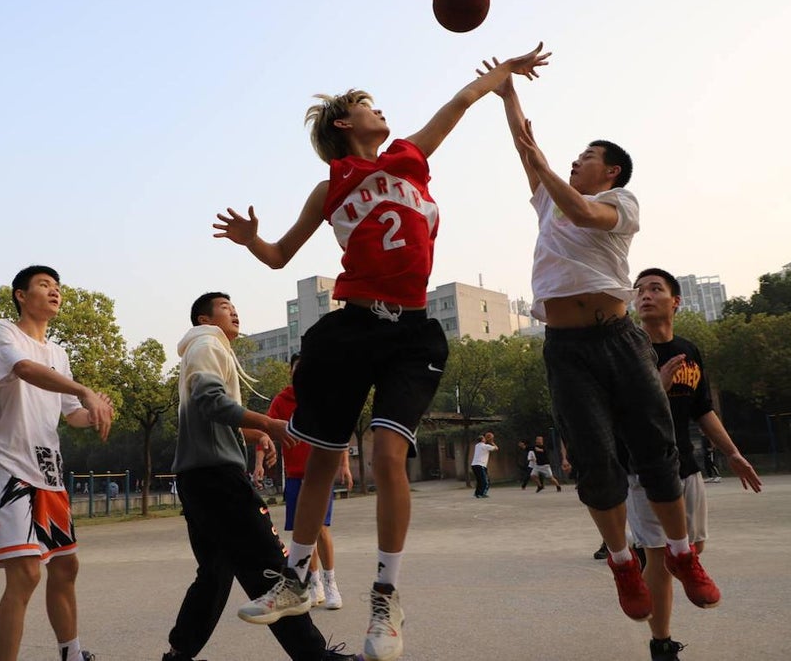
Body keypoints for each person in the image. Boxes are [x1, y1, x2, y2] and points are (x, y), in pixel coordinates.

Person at [217, 43, 551, 661]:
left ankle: (386, 597)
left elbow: (459, 102)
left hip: (413, 331)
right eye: (368, 105)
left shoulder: (408, 157)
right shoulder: (331, 187)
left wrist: (504, 76)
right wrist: (250, 239)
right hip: (351, 327)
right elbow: (281, 257)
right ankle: (293, 580)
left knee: (388, 453)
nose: (380, 110)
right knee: (321, 458)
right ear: (345, 123)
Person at [492, 62, 721, 624]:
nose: (573, 162)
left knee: (655, 449)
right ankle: (622, 561)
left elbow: (580, 209)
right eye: (569, 158)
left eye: (585, 157)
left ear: (612, 171)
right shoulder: (548, 196)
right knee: (595, 462)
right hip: (565, 348)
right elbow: (528, 152)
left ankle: (682, 553)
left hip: (618, 340)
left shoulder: (623, 203)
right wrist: (506, 91)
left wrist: (544, 163)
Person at [163, 293, 357, 661]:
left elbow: (209, 418)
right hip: (218, 479)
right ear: (204, 319)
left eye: (234, 305)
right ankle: (314, 655)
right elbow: (209, 399)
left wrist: (257, 434)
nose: (233, 310)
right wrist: (267, 422)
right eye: (223, 306)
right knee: (270, 566)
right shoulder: (207, 342)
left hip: (196, 478)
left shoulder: (204, 347)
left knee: (215, 572)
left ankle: (178, 653)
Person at [0, 266, 114, 661]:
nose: (55, 292)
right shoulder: (4, 331)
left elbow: (71, 414)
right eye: (45, 285)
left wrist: (96, 410)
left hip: (48, 473)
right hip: (8, 467)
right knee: (26, 573)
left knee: (66, 568)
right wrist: (85, 391)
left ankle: (71, 652)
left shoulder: (58, 354)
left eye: (58, 287)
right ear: (21, 294)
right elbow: (23, 370)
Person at [630, 268, 764, 661]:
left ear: (676, 301)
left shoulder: (688, 350)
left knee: (692, 548)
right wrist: (657, 384)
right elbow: (616, 412)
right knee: (659, 554)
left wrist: (733, 453)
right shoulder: (628, 349)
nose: (645, 295)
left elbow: (702, 409)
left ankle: (651, 569)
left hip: (686, 466)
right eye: (639, 290)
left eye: (656, 289)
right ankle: (662, 644)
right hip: (642, 468)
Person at [256, 353, 353, 609]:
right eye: (297, 369)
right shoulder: (282, 400)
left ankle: (331, 584)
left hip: (320, 475)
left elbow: (338, 431)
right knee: (303, 533)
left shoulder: (324, 398)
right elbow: (264, 431)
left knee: (320, 528)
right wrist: (259, 462)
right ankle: (315, 583)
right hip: (296, 477)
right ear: (291, 373)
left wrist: (344, 464)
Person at [470, 432, 498, 498]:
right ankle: (482, 494)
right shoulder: (485, 446)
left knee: (479, 480)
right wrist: (492, 441)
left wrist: (487, 440)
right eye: (484, 438)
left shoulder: (477, 445)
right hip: (480, 465)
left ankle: (477, 493)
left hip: (474, 465)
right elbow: (496, 448)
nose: (485, 438)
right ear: (482, 440)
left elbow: (484, 444)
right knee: (485, 481)